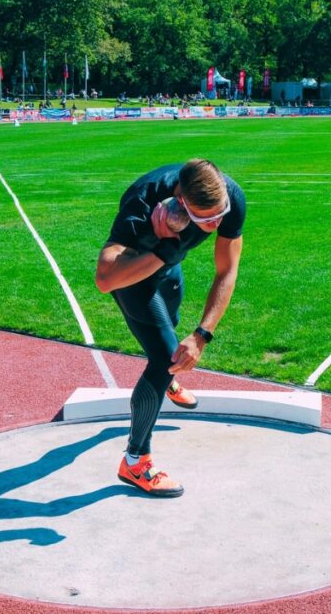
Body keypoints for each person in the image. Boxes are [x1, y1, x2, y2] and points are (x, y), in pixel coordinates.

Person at [95, 159, 246, 497]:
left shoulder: (230, 199)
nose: (217, 223)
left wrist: (202, 334)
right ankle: (135, 461)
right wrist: (164, 249)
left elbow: (227, 270)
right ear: (180, 199)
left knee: (174, 329)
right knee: (165, 357)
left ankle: (168, 380)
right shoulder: (141, 201)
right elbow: (105, 279)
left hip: (169, 266)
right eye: (207, 220)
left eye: (220, 214)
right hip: (134, 274)